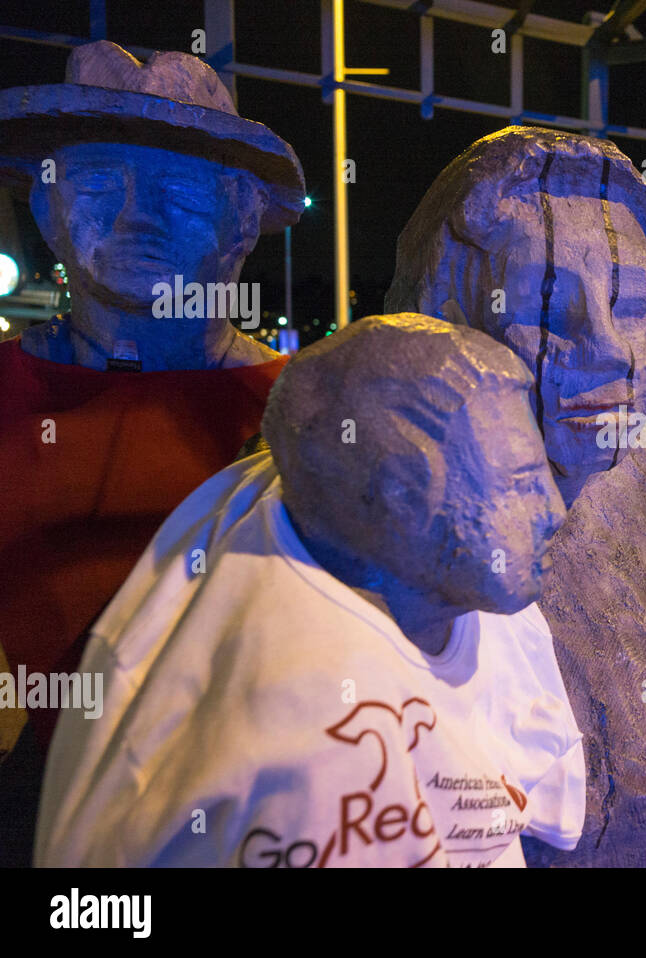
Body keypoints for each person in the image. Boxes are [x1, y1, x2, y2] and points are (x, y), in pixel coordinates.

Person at [387, 127, 646, 866]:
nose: (612, 348)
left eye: (636, 308)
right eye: (550, 308)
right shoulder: (397, 522)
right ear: (449, 315)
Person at [36, 314, 585, 867]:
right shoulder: (283, 728)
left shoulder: (481, 614)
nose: (554, 513)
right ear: (400, 491)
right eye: (519, 483)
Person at [0, 41, 305, 863]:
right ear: (46, 208)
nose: (139, 218)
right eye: (101, 183)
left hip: (254, 817)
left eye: (178, 189)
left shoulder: (303, 412)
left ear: (240, 216)